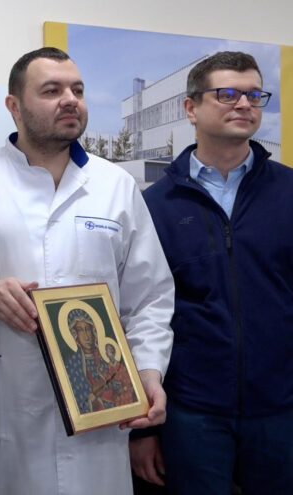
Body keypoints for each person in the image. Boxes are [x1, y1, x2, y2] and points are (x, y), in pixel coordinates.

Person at [0, 46, 174, 494]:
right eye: (52, 90)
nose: (70, 99)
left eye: (77, 89)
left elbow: (150, 297)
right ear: (14, 105)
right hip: (2, 417)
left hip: (100, 419)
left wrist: (149, 371)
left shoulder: (115, 186)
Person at [134, 51, 293, 494]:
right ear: (191, 108)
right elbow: (141, 313)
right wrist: (142, 430)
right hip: (191, 411)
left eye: (254, 95)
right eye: (227, 94)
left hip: (281, 409)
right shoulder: (155, 206)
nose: (244, 104)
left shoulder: (288, 191)